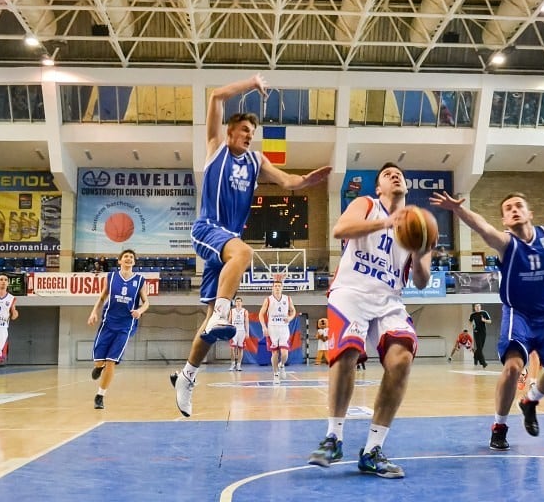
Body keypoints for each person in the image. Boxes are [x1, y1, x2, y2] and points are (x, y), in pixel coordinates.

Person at [171, 73, 330, 416]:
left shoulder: (257, 161)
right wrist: (252, 82)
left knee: (210, 323)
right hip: (208, 229)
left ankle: (187, 376)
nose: (248, 136)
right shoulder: (215, 149)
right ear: (229, 131)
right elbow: (216, 96)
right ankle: (224, 314)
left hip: (225, 249)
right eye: (244, 131)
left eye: (252, 134)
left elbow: (287, 180)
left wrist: (307, 180)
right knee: (244, 250)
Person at [430, 190, 544, 448]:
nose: (514, 209)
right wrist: (458, 210)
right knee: (512, 368)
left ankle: (530, 400)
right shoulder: (505, 243)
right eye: (508, 208)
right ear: (505, 221)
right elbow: (482, 227)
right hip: (519, 314)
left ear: (529, 213)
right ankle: (499, 426)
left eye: (519, 205)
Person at [307, 163, 432, 479]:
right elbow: (340, 229)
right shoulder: (366, 204)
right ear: (378, 189)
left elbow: (420, 280)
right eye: (387, 175)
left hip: (389, 300)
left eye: (399, 173)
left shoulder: (420, 225)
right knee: (347, 352)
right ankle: (334, 437)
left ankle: (373, 449)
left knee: (402, 359)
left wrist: (419, 252)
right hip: (351, 292)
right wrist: (386, 222)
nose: (395, 175)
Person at [87, 249, 149, 409]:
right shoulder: (111, 276)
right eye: (126, 257)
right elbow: (102, 297)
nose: (129, 259)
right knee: (100, 360)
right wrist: (94, 312)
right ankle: (98, 367)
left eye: (131, 257)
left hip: (126, 326)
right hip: (108, 323)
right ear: (119, 261)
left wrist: (140, 311)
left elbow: (146, 302)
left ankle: (100, 395)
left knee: (111, 361)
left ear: (134, 262)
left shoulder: (140, 280)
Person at [259, 279, 296, 383]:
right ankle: (275, 374)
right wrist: (264, 327)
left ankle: (282, 364)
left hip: (284, 327)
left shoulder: (287, 299)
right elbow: (261, 314)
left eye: (279, 286)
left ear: (282, 287)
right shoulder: (268, 299)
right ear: (272, 287)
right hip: (272, 328)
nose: (277, 288)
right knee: (274, 353)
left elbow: (293, 311)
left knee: (284, 353)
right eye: (275, 286)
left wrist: (290, 317)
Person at [228, 297, 250, 371]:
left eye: (239, 301)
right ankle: (233, 364)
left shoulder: (245, 311)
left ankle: (238, 365)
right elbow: (229, 321)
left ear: (241, 303)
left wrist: (247, 332)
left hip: (242, 331)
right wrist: (228, 330)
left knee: (241, 348)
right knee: (232, 348)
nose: (238, 303)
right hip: (233, 331)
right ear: (235, 303)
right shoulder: (232, 311)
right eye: (237, 301)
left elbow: (246, 322)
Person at [468, 303, 492, 368]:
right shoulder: (472, 314)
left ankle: (475, 357)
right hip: (476, 332)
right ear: (474, 308)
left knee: (480, 348)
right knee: (479, 347)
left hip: (483, 332)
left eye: (479, 306)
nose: (477, 308)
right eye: (476, 307)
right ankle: (483, 363)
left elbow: (490, 321)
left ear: (480, 307)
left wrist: (484, 320)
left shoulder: (484, 313)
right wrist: (471, 324)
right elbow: (469, 322)